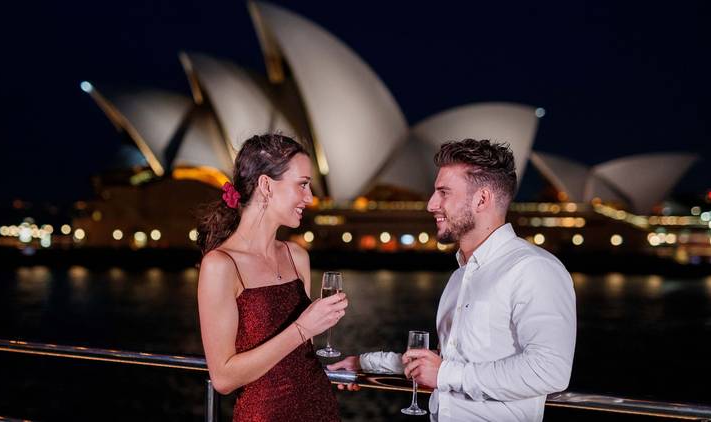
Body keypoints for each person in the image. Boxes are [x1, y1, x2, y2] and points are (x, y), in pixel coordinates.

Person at [329, 139, 576, 421]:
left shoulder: (533, 268)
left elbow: (549, 370)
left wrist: (445, 373)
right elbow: (443, 364)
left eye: (443, 193)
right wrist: (364, 363)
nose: (431, 204)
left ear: (482, 199)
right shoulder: (462, 274)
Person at [197, 134, 346, 421]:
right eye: (302, 184)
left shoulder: (297, 255)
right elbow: (224, 379)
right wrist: (303, 328)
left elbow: (300, 355)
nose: (310, 197)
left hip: (321, 408)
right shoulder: (221, 265)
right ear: (266, 185)